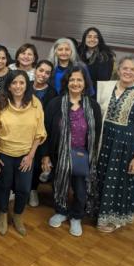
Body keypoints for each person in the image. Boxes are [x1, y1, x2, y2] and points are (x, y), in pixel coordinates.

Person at [41, 67, 102, 236]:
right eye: (72, 80)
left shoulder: (93, 106)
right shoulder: (55, 103)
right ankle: (61, 211)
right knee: (58, 186)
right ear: (66, 83)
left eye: (79, 80)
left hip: (82, 155)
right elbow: (45, 131)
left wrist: (92, 157)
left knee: (80, 190)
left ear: (85, 83)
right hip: (59, 154)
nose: (75, 83)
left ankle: (76, 216)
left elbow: (97, 134)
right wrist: (45, 155)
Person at [95, 56, 134, 233]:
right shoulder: (107, 88)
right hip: (104, 140)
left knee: (118, 181)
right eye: (125, 68)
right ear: (118, 70)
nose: (128, 72)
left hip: (124, 145)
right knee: (99, 175)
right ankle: (96, 210)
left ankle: (112, 217)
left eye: (132, 70)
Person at [0, 70, 46, 236]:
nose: (18, 86)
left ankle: (17, 215)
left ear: (26, 84)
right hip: (3, 154)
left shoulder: (35, 104)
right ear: (8, 85)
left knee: (23, 189)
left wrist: (30, 156)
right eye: (14, 83)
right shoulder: (0, 104)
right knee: (4, 186)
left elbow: (39, 133)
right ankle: (2, 213)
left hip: (25, 155)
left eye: (21, 82)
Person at [29, 60, 57, 207]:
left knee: (37, 163)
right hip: (23, 132)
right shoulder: (26, 85)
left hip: (41, 134)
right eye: (41, 70)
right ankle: (16, 189)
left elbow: (51, 120)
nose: (43, 74)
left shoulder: (52, 93)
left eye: (47, 72)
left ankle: (33, 189)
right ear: (35, 70)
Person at [77, 27, 115, 91]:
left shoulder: (105, 56)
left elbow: (104, 80)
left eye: (95, 37)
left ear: (99, 39)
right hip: (77, 87)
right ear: (84, 39)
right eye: (89, 37)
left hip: (96, 91)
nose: (92, 39)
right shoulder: (79, 52)